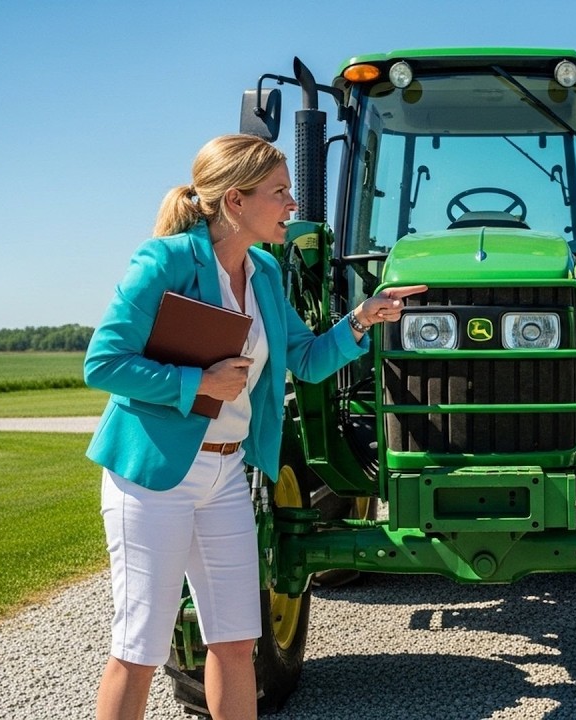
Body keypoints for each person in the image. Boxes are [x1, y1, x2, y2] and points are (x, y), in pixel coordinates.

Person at [84, 133, 426, 720]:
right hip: (154, 478)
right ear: (235, 202)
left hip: (228, 474)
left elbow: (308, 358)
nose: (292, 206)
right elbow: (104, 363)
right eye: (280, 193)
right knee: (138, 650)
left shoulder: (265, 270)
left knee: (237, 642)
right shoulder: (164, 260)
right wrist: (197, 386)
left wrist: (362, 319)